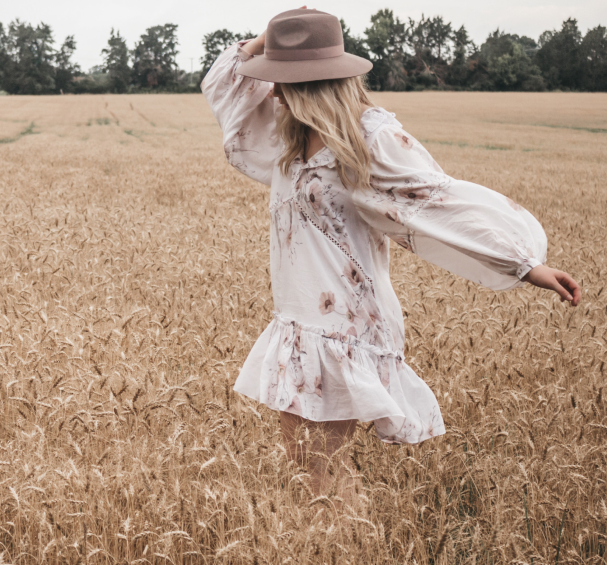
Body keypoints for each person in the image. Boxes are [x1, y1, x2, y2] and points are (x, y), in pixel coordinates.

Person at [201, 8, 582, 514]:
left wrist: (523, 263)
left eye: (284, 80)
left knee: (319, 466)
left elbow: (438, 200)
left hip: (345, 322)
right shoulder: (288, 136)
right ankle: (344, 543)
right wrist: (264, 41)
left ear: (318, 83)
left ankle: (351, 544)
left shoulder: (370, 137)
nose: (271, 90)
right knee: (309, 462)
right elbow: (222, 85)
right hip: (300, 317)